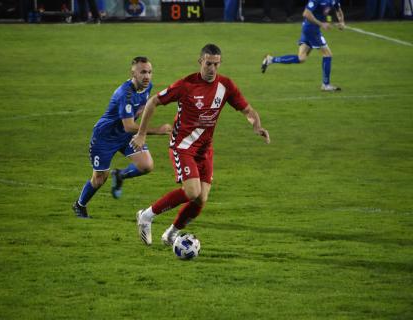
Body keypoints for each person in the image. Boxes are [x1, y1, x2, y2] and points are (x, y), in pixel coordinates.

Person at [130, 44, 270, 246]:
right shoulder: (186, 85)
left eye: (216, 64)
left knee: (201, 199)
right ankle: (146, 216)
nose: (212, 68)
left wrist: (257, 125)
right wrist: (142, 134)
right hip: (183, 146)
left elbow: (248, 110)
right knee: (192, 191)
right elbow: (153, 102)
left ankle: (171, 234)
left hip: (205, 150)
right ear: (200, 62)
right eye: (208, 63)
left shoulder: (226, 86)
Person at [72, 57, 172, 219]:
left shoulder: (147, 87)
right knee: (99, 179)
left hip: (126, 136)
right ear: (133, 73)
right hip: (105, 138)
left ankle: (119, 175)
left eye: (149, 72)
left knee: (146, 165)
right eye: (142, 72)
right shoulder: (124, 95)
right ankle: (79, 205)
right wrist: (156, 130)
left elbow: (145, 109)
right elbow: (128, 126)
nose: (147, 76)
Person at [261, 0, 346, 91]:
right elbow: (306, 13)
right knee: (328, 55)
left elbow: (338, 10)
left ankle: (270, 59)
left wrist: (341, 22)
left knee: (301, 58)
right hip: (311, 30)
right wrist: (322, 24)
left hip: (310, 29)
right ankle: (326, 85)